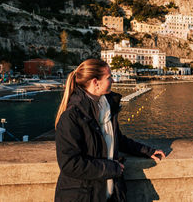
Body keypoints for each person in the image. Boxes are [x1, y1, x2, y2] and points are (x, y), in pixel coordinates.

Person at [54, 59, 165, 202]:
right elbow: (70, 164)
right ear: (96, 82)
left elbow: (117, 139)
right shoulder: (72, 116)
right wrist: (112, 168)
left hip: (109, 194)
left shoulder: (106, 107)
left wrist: (145, 151)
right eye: (109, 77)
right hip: (82, 196)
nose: (113, 80)